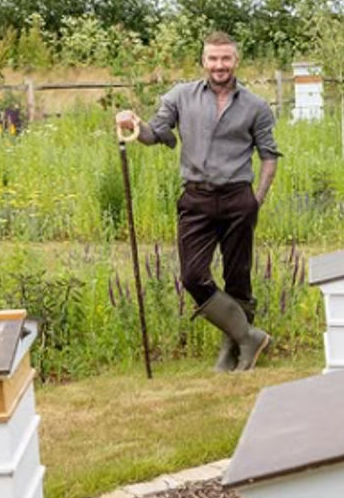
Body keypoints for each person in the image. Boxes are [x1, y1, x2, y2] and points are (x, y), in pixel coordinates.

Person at [115, 31, 280, 372]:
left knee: (239, 277)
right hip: (196, 200)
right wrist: (134, 123)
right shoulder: (180, 96)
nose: (219, 65)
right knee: (192, 276)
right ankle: (249, 336)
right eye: (213, 58)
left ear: (236, 60)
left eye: (226, 58)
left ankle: (232, 352)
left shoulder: (256, 106)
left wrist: (256, 199)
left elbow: (269, 156)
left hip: (238, 198)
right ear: (203, 61)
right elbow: (156, 134)